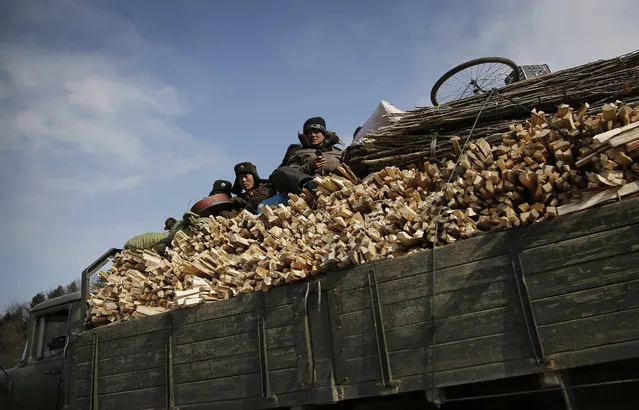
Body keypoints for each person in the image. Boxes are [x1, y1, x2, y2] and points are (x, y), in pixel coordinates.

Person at [270, 117, 343, 194]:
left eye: (316, 132)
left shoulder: (339, 152)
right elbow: (292, 173)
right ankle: (310, 185)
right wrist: (309, 167)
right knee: (280, 171)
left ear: (324, 134)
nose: (313, 135)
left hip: (336, 186)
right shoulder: (298, 152)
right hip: (307, 191)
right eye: (309, 133)